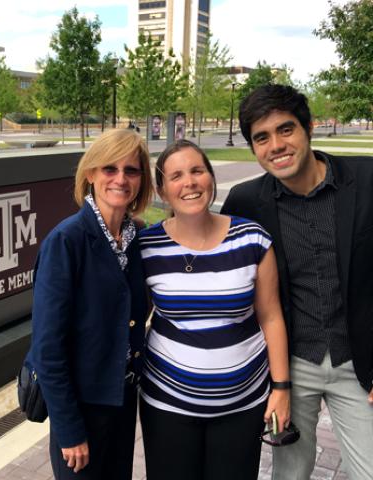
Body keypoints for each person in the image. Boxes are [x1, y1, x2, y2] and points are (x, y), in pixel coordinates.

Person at [221, 84, 373, 479]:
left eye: (285, 129)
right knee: (288, 474)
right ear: (253, 148)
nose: (276, 145)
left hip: (359, 361)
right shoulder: (245, 201)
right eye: (262, 137)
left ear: (308, 128)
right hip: (289, 367)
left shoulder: (368, 178)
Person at [139, 139, 290, 480]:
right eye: (176, 175)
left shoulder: (251, 239)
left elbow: (271, 316)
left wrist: (281, 389)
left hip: (243, 406)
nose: (189, 182)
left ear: (211, 177)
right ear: (163, 190)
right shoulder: (147, 247)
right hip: (167, 406)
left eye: (197, 170)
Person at [29, 128, 153, 480]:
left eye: (131, 170)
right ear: (90, 175)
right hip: (82, 410)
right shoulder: (67, 241)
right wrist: (68, 429)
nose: (120, 179)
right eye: (109, 169)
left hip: (122, 401)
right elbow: (47, 347)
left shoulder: (135, 239)